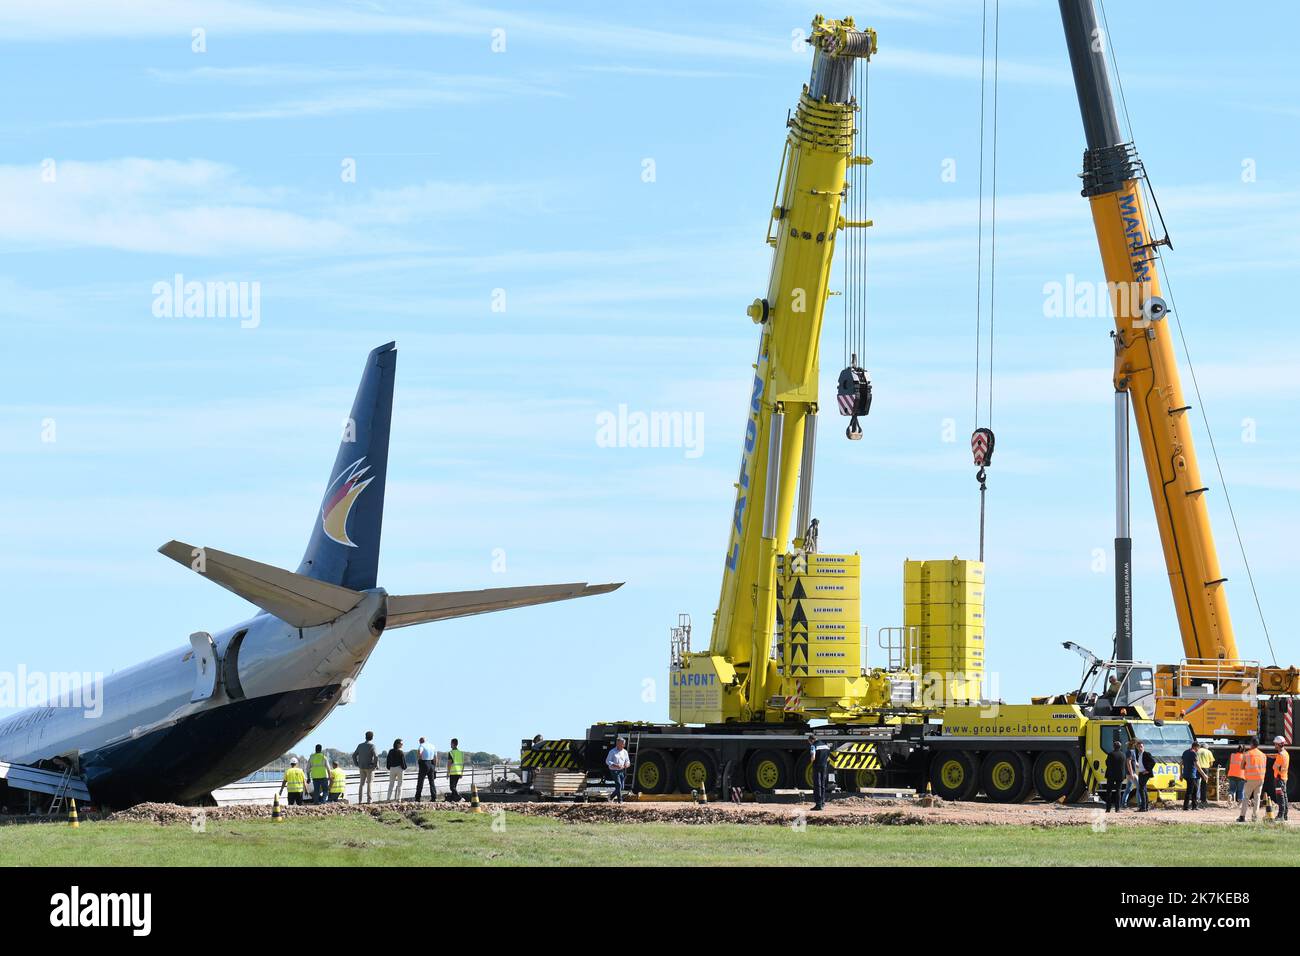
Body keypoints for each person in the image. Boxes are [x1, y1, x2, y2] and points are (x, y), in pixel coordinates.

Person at [1237, 737, 1267, 823]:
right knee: (1257, 797)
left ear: (1252, 744)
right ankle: (1255, 817)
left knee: (1246, 797)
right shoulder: (1263, 755)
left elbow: (1242, 767)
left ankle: (1242, 816)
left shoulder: (1247, 754)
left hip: (1250, 779)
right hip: (1260, 779)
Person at [352, 731, 378, 805]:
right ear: (372, 737)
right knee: (370, 783)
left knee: (361, 784)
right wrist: (374, 765)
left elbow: (354, 755)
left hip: (361, 767)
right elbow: (376, 756)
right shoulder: (372, 746)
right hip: (369, 767)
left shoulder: (360, 745)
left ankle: (360, 800)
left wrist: (356, 763)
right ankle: (369, 800)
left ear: (365, 736)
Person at [1269, 737, 1290, 822]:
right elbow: (1276, 756)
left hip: (1279, 779)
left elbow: (1274, 767)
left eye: (1275, 744)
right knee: (1284, 796)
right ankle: (1285, 815)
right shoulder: (1285, 753)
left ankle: (1280, 815)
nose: (1275, 745)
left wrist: (1274, 764)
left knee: (1280, 798)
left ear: (1279, 744)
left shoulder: (1280, 756)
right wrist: (1268, 755)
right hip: (1283, 778)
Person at [809, 734, 831, 811]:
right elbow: (829, 757)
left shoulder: (813, 746)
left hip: (817, 766)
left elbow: (813, 757)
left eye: (809, 742)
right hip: (824, 766)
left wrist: (811, 761)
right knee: (823, 784)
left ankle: (818, 805)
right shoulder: (825, 746)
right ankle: (822, 802)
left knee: (817, 784)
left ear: (811, 740)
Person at [1181, 741, 1206, 810]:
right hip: (1191, 774)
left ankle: (1194, 806)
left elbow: (1181, 763)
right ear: (1195, 747)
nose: (1198, 749)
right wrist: (1204, 775)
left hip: (1186, 774)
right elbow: (1197, 765)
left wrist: (1181, 774)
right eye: (1198, 748)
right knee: (1190, 790)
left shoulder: (1185, 752)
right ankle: (1185, 807)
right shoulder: (1193, 753)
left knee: (1195, 789)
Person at [605, 737, 630, 803]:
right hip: (614, 770)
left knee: (621, 787)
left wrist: (627, 765)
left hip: (622, 770)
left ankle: (611, 797)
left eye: (624, 743)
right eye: (623, 743)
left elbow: (628, 761)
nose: (624, 745)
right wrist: (615, 765)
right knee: (618, 784)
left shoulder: (625, 752)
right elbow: (607, 761)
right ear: (618, 743)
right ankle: (620, 800)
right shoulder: (612, 751)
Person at [1105, 740, 1125, 812]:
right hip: (1119, 775)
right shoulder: (1123, 755)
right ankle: (1117, 809)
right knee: (1118, 791)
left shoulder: (1110, 754)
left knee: (1109, 791)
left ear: (1113, 746)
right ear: (1120, 747)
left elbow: (1107, 763)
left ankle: (1108, 809)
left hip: (1111, 775)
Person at [415, 737, 437, 803]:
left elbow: (419, 752)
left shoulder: (422, 745)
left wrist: (419, 759)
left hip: (424, 763)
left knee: (420, 782)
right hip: (431, 763)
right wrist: (434, 766)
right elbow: (436, 757)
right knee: (432, 782)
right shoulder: (432, 746)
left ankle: (417, 798)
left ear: (421, 741)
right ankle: (434, 797)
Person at [1134, 740, 1155, 812]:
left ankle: (1143, 807)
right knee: (1143, 789)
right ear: (1137, 747)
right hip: (1140, 773)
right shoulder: (1139, 754)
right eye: (1139, 747)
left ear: (1143, 747)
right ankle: (1145, 807)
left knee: (1141, 789)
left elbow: (1153, 762)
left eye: (1141, 747)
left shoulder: (1146, 754)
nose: (1140, 748)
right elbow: (1141, 763)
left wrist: (1148, 770)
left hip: (1145, 773)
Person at [1120, 743, 1139, 809]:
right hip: (1131, 773)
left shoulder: (1132, 751)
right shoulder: (1130, 752)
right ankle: (1139, 804)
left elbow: (1135, 763)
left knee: (1128, 789)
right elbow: (1128, 763)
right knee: (1139, 788)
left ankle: (1123, 804)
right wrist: (1131, 774)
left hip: (1130, 773)